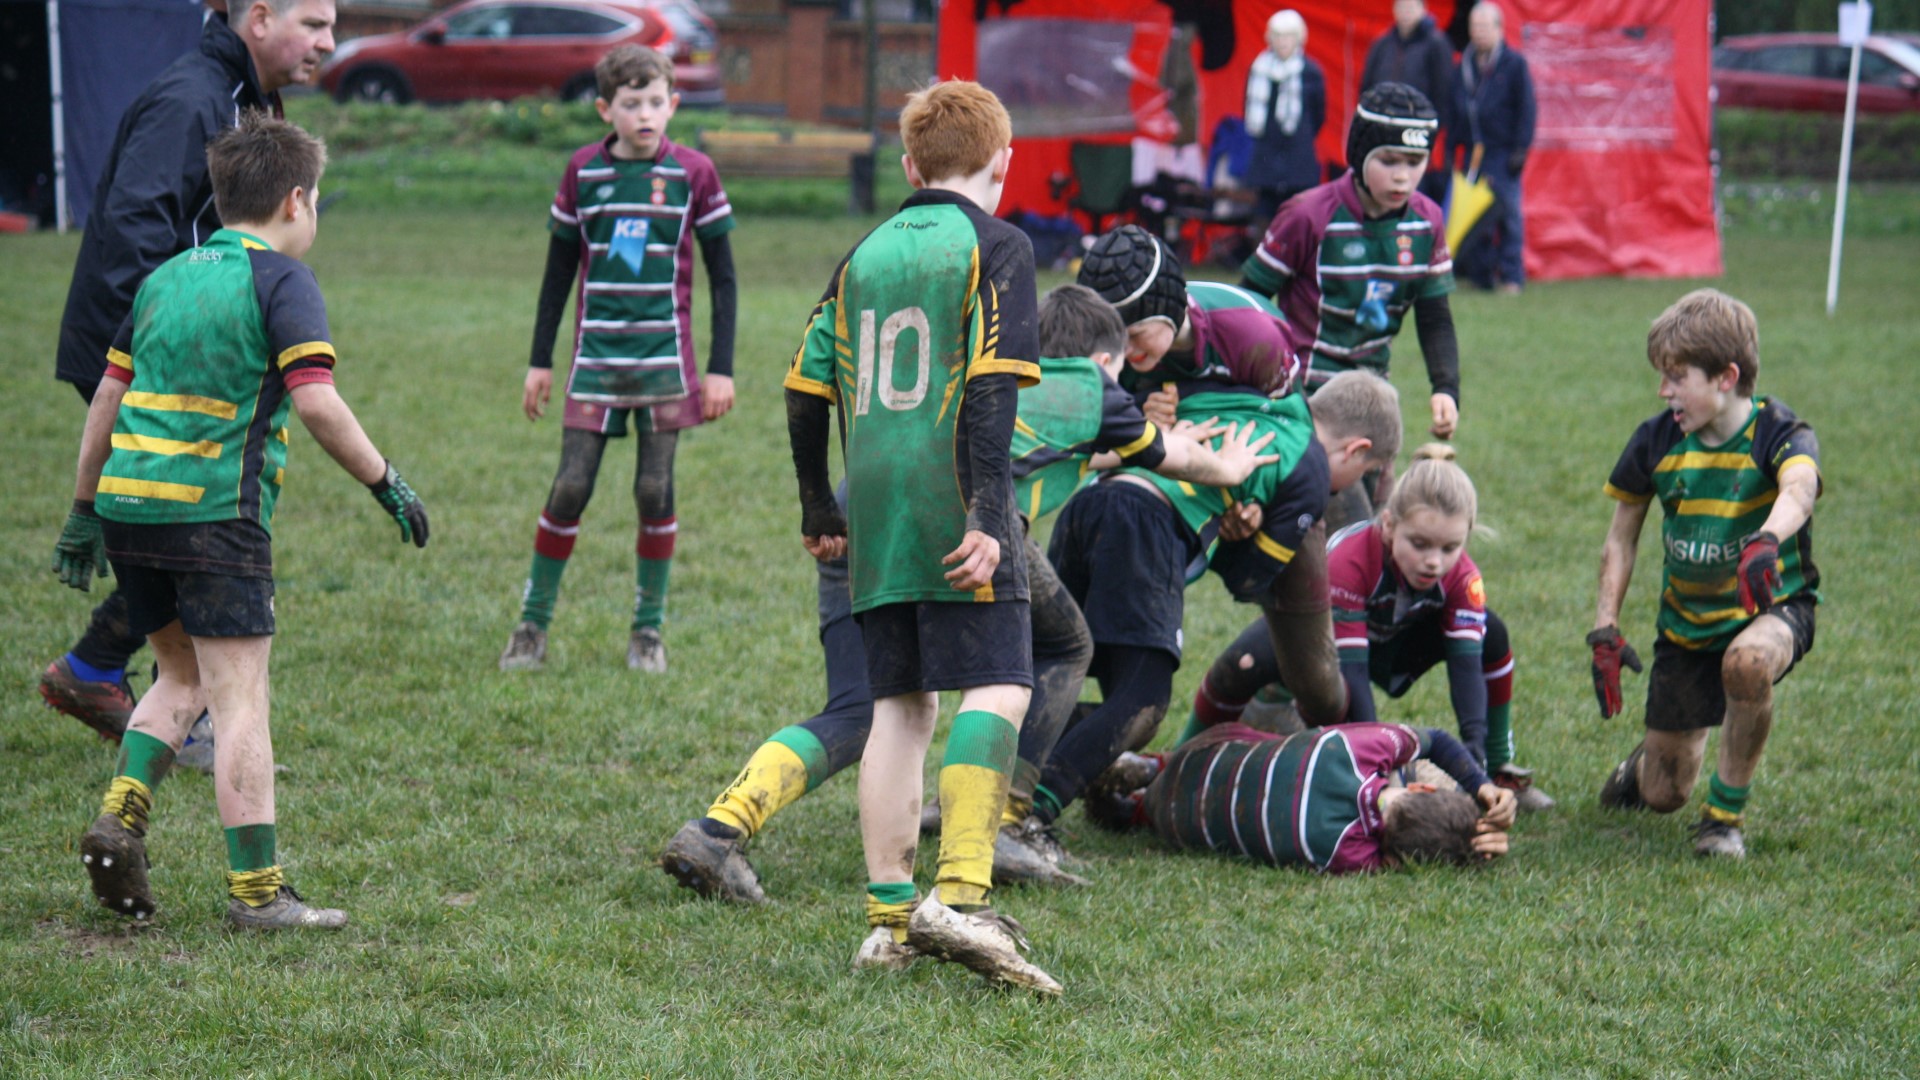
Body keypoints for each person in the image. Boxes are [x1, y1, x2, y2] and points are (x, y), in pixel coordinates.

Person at [658, 284, 1277, 900]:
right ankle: (1003, 822)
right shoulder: (1093, 389)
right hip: (956, 524)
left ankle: (721, 828)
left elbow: (1065, 453)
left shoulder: (999, 373)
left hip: (859, 515)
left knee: (859, 708)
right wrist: (1235, 467)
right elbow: (1179, 462)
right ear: (1105, 361)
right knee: (1061, 646)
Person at [53, 112, 429, 930]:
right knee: (238, 698)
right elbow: (318, 404)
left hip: (130, 509)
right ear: (296, 201)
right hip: (216, 518)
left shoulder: (163, 278)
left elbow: (108, 400)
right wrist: (386, 482)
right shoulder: (283, 282)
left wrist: (83, 513)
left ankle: (121, 815)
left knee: (177, 678)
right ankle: (258, 895)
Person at [783, 80, 1058, 994]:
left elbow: (802, 385)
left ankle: (888, 921)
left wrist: (820, 505)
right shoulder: (1000, 245)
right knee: (1002, 681)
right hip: (952, 492)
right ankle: (963, 897)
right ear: (1003, 165)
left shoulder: (861, 253)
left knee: (899, 709)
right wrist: (988, 515)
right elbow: (990, 390)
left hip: (877, 502)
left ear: (908, 167)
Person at [41, 0, 337, 742]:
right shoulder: (192, 99)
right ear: (259, 18)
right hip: (144, 349)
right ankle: (172, 692)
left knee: (195, 515)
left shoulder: (243, 98)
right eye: (315, 23)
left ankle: (107, 667)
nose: (329, 42)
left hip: (180, 353)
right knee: (199, 519)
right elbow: (133, 231)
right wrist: (164, 350)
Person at [1028, 371, 1403, 839]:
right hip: (1144, 524)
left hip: (1089, 505)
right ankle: (1031, 812)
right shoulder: (1309, 472)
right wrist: (1245, 532)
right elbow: (1250, 580)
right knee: (1141, 701)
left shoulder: (1257, 401)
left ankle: (993, 787)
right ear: (1355, 450)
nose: (1349, 486)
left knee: (1059, 669)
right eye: (1362, 476)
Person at [498, 44, 737, 674]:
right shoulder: (583, 173)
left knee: (654, 489)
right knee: (570, 485)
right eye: (631, 104)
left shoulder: (695, 174)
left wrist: (721, 368)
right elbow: (556, 276)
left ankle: (647, 632)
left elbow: (726, 280)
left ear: (673, 104)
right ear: (606, 109)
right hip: (595, 361)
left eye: (656, 102)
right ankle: (531, 625)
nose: (646, 114)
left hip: (665, 363)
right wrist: (539, 360)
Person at [1183, 443, 1555, 810]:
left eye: (1449, 548)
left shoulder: (1464, 577)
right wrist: (1379, 766)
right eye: (1420, 544)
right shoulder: (1351, 559)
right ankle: (1175, 762)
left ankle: (1501, 769)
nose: (1434, 562)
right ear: (1390, 525)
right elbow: (1354, 674)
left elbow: (1466, 670)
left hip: (1398, 638)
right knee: (1241, 664)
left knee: (1493, 632)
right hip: (1331, 638)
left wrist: (1474, 772)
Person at [1590, 289, 1821, 859]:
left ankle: (1722, 821)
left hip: (1774, 608)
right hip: (1686, 627)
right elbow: (1621, 537)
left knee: (1747, 664)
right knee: (1664, 793)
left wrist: (1767, 539)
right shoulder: (1656, 440)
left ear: (1726, 376)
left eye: (1676, 377)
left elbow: (1801, 488)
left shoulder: (1778, 432)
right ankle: (1644, 766)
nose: (1663, 391)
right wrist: (1605, 627)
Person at [1240, 80, 1460, 530]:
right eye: (1388, 161)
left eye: (1415, 162)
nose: (1402, 175)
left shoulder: (1427, 221)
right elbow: (1247, 302)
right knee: (1347, 533)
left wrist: (1445, 387)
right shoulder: (1307, 215)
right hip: (1307, 399)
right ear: (1358, 156)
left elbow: (1434, 315)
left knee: (1370, 536)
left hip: (1375, 400)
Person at [1101, 722, 1516, 874]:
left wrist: (1480, 785)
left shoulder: (1365, 751)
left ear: (1423, 788)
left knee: (1283, 746)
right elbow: (1383, 860)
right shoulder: (1348, 853)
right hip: (1176, 824)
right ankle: (1134, 810)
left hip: (1210, 751)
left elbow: (1437, 739)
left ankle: (1157, 765)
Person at [1450, 2, 1535, 294]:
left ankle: (1512, 275)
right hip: (1473, 152)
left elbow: (1526, 109)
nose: (1480, 32)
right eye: (1475, 27)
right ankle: (1481, 275)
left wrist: (1520, 150)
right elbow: (1454, 107)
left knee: (1509, 215)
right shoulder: (1464, 64)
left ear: (1499, 29)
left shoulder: (1514, 64)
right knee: (1476, 214)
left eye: (1485, 27)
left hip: (1503, 151)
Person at [1360, 0, 1454, 205]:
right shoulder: (1382, 45)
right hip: (1383, 135)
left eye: (1411, 7)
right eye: (1402, 7)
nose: (1406, 13)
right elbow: (1367, 88)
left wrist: (1434, 134)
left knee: (1417, 196)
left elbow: (1444, 93)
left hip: (1419, 137)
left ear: (1424, 10)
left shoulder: (1436, 44)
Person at [1242, 10, 1326, 225]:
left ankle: (1298, 257)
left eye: (1288, 36)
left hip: (1298, 159)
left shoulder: (1310, 72)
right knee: (1264, 217)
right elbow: (1248, 110)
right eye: (1277, 36)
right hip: (1266, 157)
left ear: (1298, 38)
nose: (1282, 42)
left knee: (1299, 216)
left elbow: (1319, 115)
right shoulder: (1258, 70)